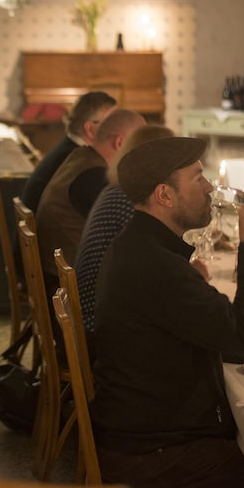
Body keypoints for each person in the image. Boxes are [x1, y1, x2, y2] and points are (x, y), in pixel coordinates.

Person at [91, 136, 244, 488]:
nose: (210, 187)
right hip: (154, 453)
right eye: (198, 178)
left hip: (143, 435)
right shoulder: (155, 265)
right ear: (165, 195)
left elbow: (189, 331)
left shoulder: (140, 247)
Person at [75, 125, 173, 341]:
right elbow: (156, 263)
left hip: (89, 315)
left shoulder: (117, 190)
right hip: (98, 328)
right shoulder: (132, 201)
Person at [36, 108, 144, 280]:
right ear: (120, 143)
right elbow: (132, 233)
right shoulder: (95, 176)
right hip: (65, 286)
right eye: (139, 146)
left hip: (55, 274)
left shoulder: (80, 157)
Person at [19, 91, 117, 213]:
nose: (117, 129)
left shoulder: (68, 148)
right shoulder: (81, 162)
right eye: (112, 123)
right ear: (89, 128)